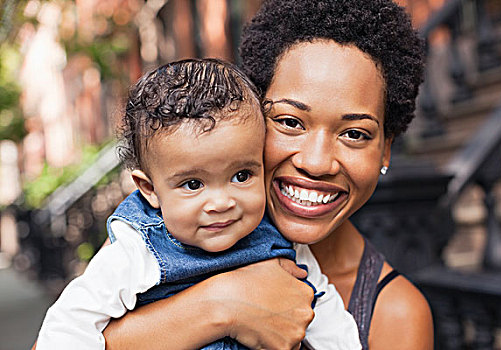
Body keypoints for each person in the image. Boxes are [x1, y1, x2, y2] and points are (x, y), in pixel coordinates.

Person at [100, 0, 435, 349]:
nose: (317, 162)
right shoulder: (156, 227)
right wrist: (223, 305)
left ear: (385, 149)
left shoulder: (394, 314)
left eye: (354, 134)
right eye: (290, 122)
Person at [35, 58, 361, 350]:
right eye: (193, 184)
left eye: (242, 175)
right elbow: (70, 324)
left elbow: (321, 304)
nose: (221, 202)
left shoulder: (276, 232)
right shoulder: (138, 248)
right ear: (149, 189)